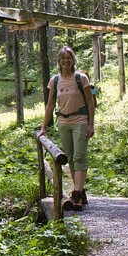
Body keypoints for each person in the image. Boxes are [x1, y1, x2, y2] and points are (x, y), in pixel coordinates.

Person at [39, 46, 95, 211]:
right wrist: (44, 126)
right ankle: (80, 193)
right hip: (63, 122)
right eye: (63, 58)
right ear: (59, 61)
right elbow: (50, 104)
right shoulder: (55, 81)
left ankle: (76, 194)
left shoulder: (81, 78)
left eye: (69, 58)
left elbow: (90, 103)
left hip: (81, 121)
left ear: (73, 60)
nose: (66, 61)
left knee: (79, 157)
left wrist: (91, 124)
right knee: (70, 157)